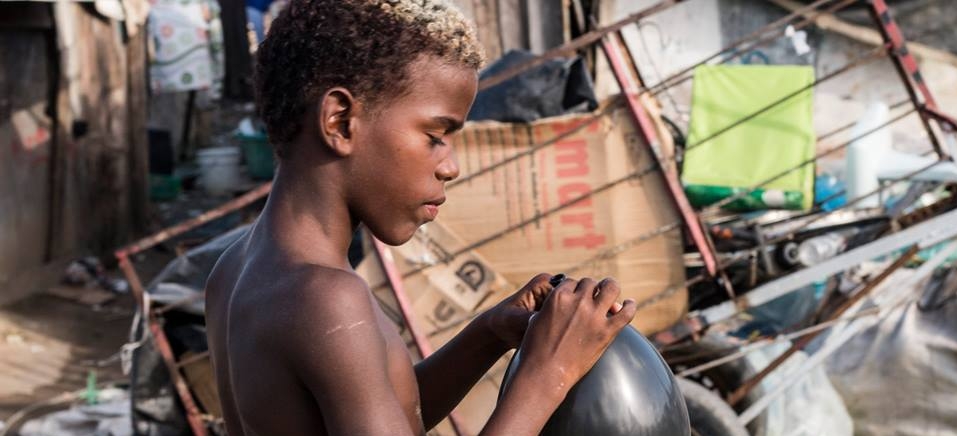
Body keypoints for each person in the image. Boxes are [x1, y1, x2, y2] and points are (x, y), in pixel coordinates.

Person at [204, 1, 638, 435]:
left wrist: (487, 334)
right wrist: (549, 374)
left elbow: (384, 413)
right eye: (435, 136)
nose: (451, 166)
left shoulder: (236, 267)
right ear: (340, 121)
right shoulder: (325, 297)